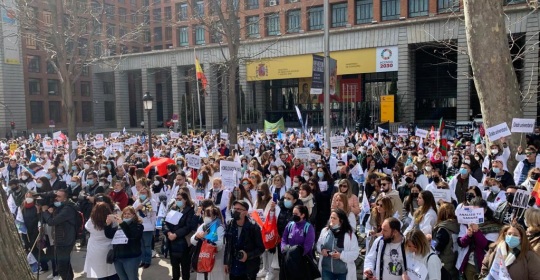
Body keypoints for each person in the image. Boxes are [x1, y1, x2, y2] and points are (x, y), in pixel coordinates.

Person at [41, 189, 79, 280]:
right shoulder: (61, 206)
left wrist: (45, 212)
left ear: (65, 198)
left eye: (59, 197)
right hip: (61, 239)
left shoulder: (68, 209)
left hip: (65, 240)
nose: (56, 198)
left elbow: (52, 221)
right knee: (65, 265)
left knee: (62, 267)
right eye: (56, 196)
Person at [223, 200, 265, 280]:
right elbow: (228, 246)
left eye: (239, 209)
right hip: (233, 267)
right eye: (234, 208)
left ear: (245, 212)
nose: (235, 211)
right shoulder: (230, 224)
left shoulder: (253, 227)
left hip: (248, 268)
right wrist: (226, 262)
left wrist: (248, 255)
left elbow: (261, 248)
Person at [317, 208, 359, 280]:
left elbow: (355, 253)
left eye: (334, 218)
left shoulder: (350, 235)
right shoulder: (325, 231)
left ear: (341, 221)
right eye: (331, 218)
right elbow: (318, 244)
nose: (331, 220)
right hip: (326, 270)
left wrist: (341, 256)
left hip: (342, 273)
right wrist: (321, 250)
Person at [164, 191, 197, 280]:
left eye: (180, 199)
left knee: (185, 267)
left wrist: (176, 234)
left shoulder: (190, 210)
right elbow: (165, 222)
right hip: (171, 242)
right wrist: (168, 233)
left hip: (183, 242)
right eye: (176, 199)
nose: (177, 201)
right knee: (174, 266)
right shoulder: (173, 209)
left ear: (185, 200)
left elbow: (188, 226)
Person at [105, 206, 144, 280]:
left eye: (128, 214)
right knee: (122, 278)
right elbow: (109, 235)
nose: (126, 215)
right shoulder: (119, 225)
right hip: (118, 257)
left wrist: (122, 224)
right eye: (124, 214)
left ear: (133, 215)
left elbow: (132, 236)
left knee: (132, 278)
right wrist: (108, 225)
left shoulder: (138, 225)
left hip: (131, 257)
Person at [84, 202, 119, 280]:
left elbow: (87, 227)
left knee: (100, 273)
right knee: (112, 272)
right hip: (109, 248)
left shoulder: (91, 221)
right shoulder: (111, 220)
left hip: (95, 249)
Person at [281, 205, 317, 279]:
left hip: (302, 261)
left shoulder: (308, 227)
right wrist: (283, 249)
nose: (294, 216)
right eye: (293, 214)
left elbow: (308, 245)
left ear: (303, 215)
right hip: (289, 259)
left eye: (296, 214)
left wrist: (296, 255)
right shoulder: (290, 225)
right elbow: (284, 238)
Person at [191, 206, 225, 280]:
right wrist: (197, 237)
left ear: (215, 216)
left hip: (214, 260)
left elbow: (219, 245)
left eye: (208, 215)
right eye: (205, 215)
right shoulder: (203, 226)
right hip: (202, 258)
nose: (205, 217)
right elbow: (192, 241)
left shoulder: (219, 227)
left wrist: (207, 240)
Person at [430, 202, 460, 278]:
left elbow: (437, 247)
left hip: (444, 265)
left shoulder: (443, 229)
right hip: (454, 263)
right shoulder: (458, 225)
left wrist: (430, 240)